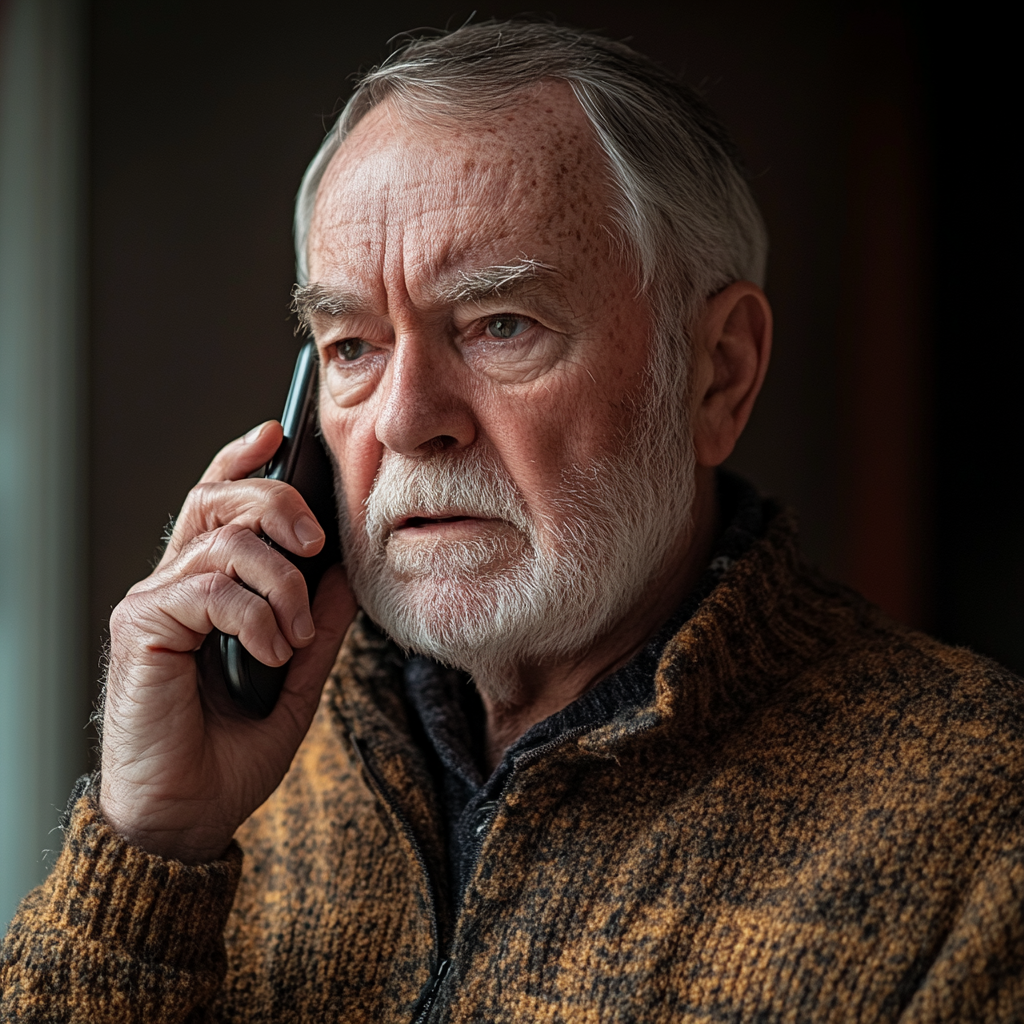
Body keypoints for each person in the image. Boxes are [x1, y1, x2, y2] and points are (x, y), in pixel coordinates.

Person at [2, 19, 1021, 1024]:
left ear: (717, 374)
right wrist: (148, 857)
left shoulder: (983, 826)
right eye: (351, 344)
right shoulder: (240, 780)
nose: (406, 420)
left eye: (499, 327)